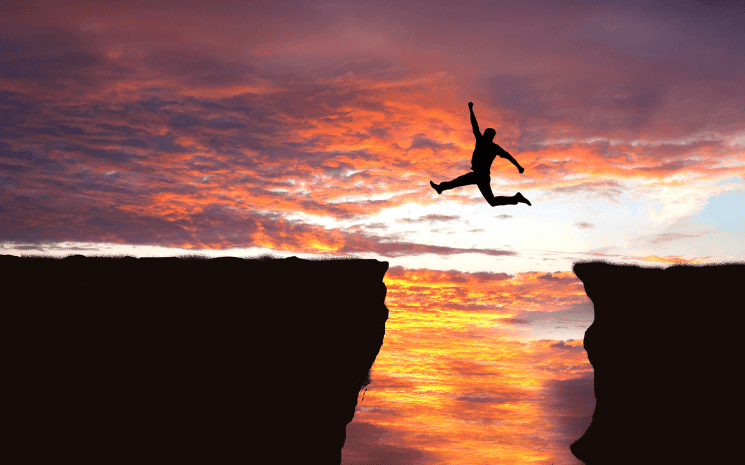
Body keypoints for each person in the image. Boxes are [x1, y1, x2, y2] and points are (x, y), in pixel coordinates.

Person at [430, 102, 531, 207]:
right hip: (480, 176)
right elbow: (475, 126)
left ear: (489, 136)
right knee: (491, 201)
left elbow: (475, 126)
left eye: (486, 134)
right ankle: (516, 198)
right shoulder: (488, 144)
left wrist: (471, 109)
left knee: (458, 182)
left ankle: (440, 188)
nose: (484, 135)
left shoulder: (486, 143)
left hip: (480, 176)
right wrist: (518, 166)